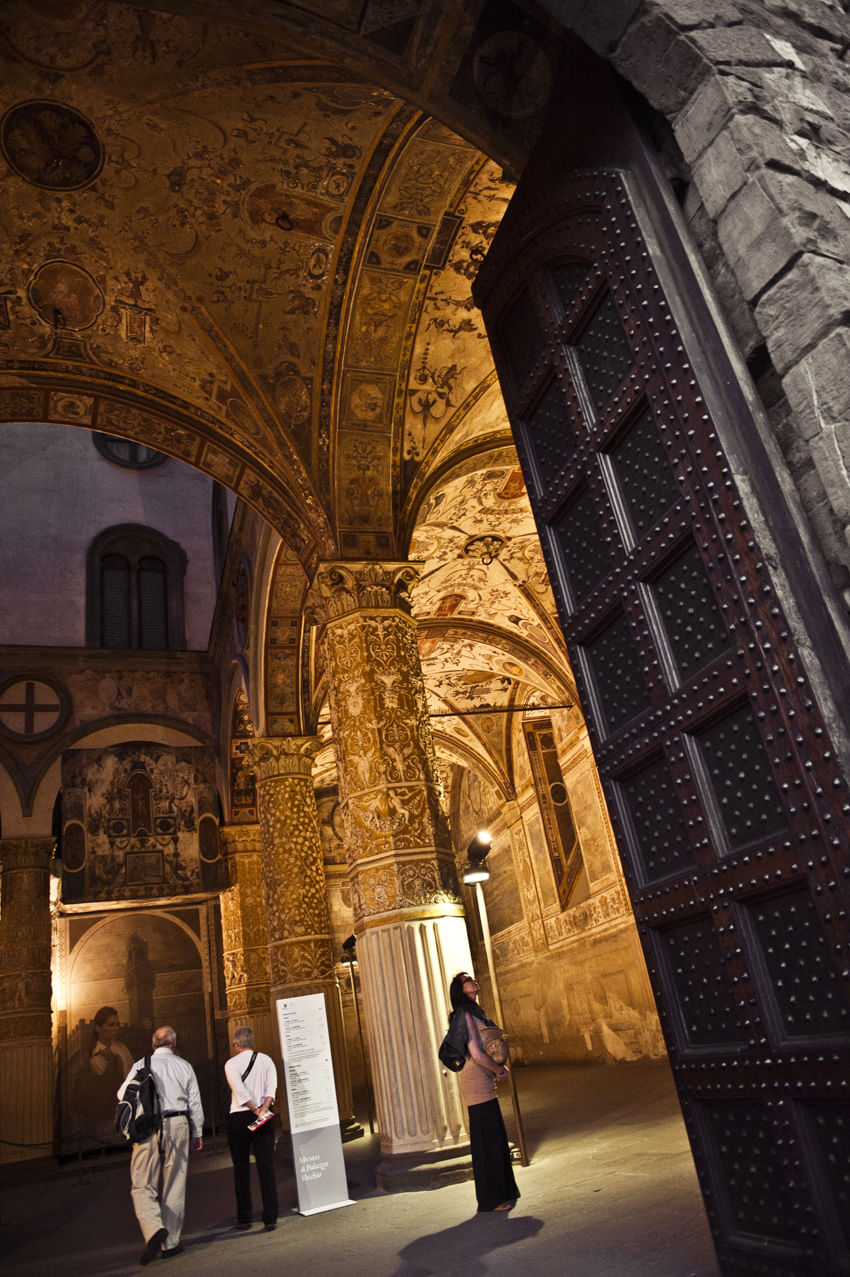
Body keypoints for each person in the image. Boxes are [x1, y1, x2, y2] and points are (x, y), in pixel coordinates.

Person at [117, 1025, 204, 1265]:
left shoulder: (140, 1065)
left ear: (153, 1044)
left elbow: (122, 1094)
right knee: (175, 1183)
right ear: (174, 1044)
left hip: (148, 1127)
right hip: (178, 1124)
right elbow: (195, 1103)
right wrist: (197, 1132)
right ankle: (171, 1244)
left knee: (142, 1185)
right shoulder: (184, 1066)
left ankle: (154, 1228)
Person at [448, 972, 520, 1213]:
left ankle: (505, 1191)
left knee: (495, 1135)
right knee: (486, 1140)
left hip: (484, 1079)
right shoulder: (464, 1013)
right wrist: (498, 1069)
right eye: (468, 979)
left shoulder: (474, 1010)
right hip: (476, 1080)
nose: (473, 980)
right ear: (460, 988)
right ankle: (491, 1199)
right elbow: (476, 1053)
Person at [224, 1026, 279, 1232]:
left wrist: (253, 1109)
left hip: (239, 1117)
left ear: (236, 1044)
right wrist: (263, 1109)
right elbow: (271, 1087)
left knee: (241, 1168)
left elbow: (239, 1090)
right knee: (266, 1165)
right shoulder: (266, 1060)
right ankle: (270, 1216)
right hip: (264, 1116)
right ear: (252, 1042)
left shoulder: (231, 1064)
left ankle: (245, 1217)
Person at [73, 1006, 135, 1144]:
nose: (116, 1028)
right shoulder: (96, 1057)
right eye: (111, 1025)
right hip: (109, 1113)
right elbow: (104, 1087)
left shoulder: (121, 1048)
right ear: (98, 1028)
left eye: (117, 1024)